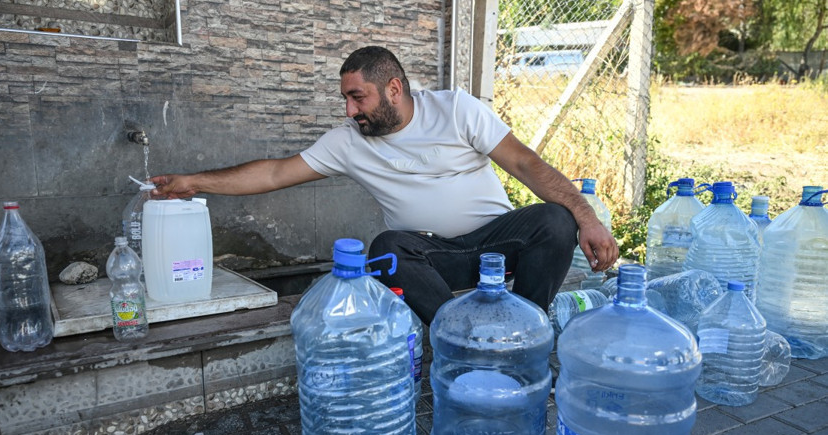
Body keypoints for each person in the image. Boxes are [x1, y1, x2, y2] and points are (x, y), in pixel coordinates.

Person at [151, 46, 618, 325]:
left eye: (358, 98)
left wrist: (587, 217)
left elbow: (526, 164)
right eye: (346, 100)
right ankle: (462, 338)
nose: (350, 111)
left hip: (498, 244)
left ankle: (524, 332)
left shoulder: (456, 110)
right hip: (431, 258)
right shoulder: (347, 142)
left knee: (556, 220)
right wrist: (193, 181)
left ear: (393, 88)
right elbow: (274, 173)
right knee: (387, 246)